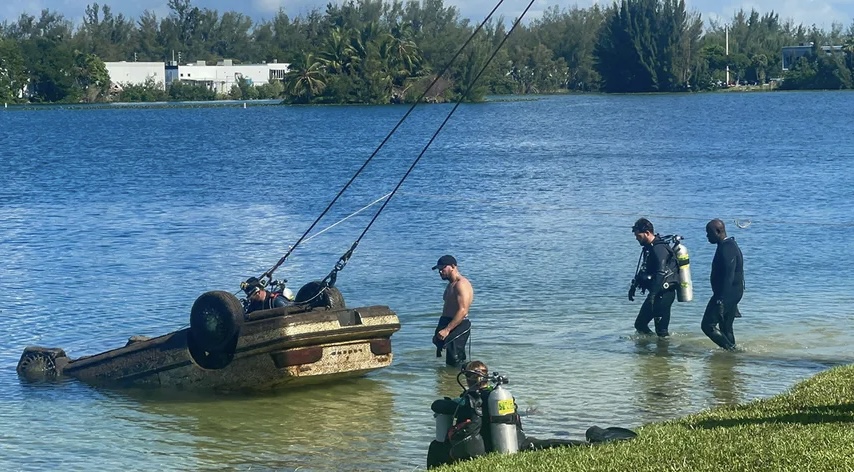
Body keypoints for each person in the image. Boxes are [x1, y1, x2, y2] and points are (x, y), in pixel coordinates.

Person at [629, 218, 679, 337]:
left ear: (647, 233)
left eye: (638, 236)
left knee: (641, 325)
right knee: (661, 331)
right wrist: (633, 287)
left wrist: (652, 296)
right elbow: (643, 269)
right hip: (659, 294)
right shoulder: (650, 248)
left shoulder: (659, 249)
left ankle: (653, 351)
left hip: (663, 294)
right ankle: (660, 353)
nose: (637, 238)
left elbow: (661, 273)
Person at [701, 219, 744, 350]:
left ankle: (730, 350)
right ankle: (731, 358)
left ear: (718, 231)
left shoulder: (727, 248)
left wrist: (721, 300)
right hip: (733, 293)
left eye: (709, 233)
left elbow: (728, 275)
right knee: (726, 327)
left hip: (727, 294)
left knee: (707, 325)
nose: (707, 236)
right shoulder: (728, 245)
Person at [432, 255, 474, 367]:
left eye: (443, 268)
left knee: (455, 360)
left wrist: (447, 330)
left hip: (459, 324)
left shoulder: (461, 284)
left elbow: (463, 310)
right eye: (439, 269)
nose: (440, 271)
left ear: (453, 266)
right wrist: (440, 328)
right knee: (449, 360)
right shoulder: (450, 285)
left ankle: (459, 381)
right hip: (447, 322)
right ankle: (447, 383)